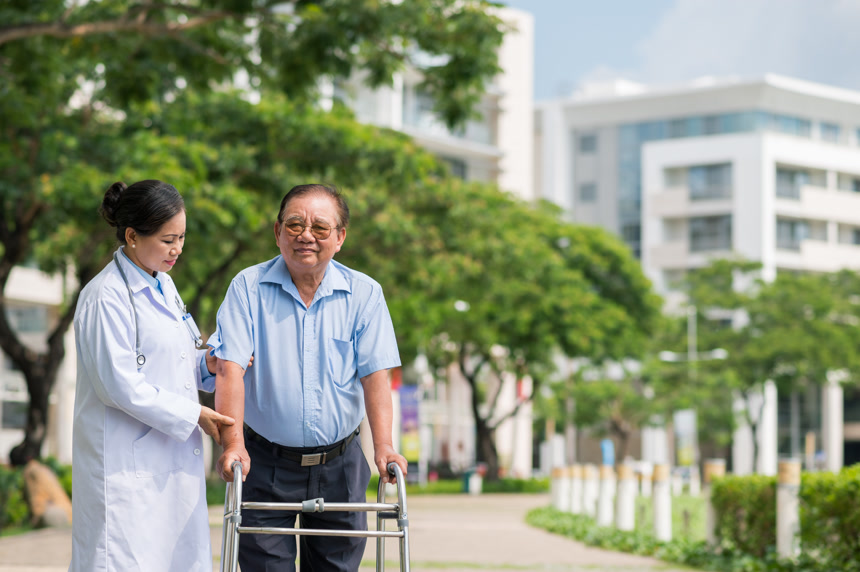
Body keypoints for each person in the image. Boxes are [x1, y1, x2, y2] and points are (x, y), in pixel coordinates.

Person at [211, 183, 407, 571]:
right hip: (264, 462)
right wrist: (233, 444)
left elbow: (375, 377)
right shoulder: (247, 288)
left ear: (340, 238)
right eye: (295, 224)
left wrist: (383, 446)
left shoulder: (364, 294)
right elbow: (230, 369)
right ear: (278, 232)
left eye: (320, 228)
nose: (306, 236)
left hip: (341, 465)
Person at [70, 180, 235, 571]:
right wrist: (195, 414)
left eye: (181, 238)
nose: (177, 249)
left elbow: (178, 359)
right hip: (126, 472)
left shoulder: (164, 284)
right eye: (167, 240)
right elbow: (119, 384)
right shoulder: (104, 296)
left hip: (170, 463)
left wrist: (207, 366)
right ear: (131, 236)